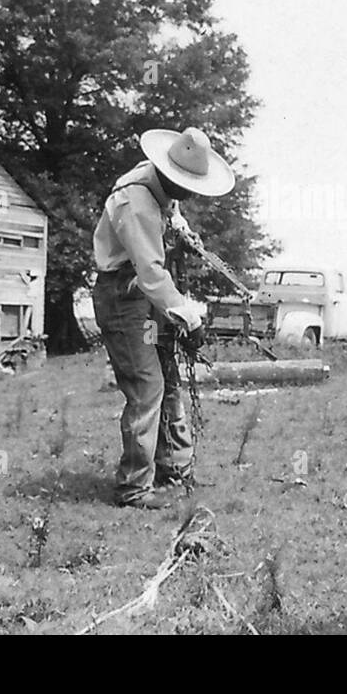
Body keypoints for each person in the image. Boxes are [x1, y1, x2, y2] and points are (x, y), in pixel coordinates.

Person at [91, 127, 235, 509]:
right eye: (184, 186)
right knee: (147, 385)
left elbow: (171, 212)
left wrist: (183, 230)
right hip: (124, 296)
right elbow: (152, 273)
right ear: (167, 173)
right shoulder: (135, 204)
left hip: (146, 297)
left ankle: (173, 468)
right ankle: (134, 487)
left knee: (167, 374)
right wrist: (191, 318)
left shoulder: (159, 187)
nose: (187, 194)